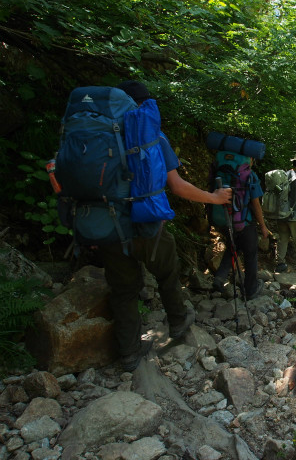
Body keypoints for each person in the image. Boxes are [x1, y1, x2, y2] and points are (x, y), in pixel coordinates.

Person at [100, 80, 232, 372]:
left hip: (108, 227)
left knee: (123, 291)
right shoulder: (151, 136)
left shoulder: (99, 138)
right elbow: (177, 186)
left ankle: (129, 354)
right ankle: (178, 322)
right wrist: (213, 197)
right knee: (168, 272)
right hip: (148, 226)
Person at [212, 156, 271, 297]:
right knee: (251, 254)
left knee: (233, 248)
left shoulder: (221, 170)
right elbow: (256, 204)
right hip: (244, 221)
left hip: (224, 219)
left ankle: (219, 279)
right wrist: (263, 226)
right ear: (250, 158)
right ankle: (251, 289)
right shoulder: (249, 175)